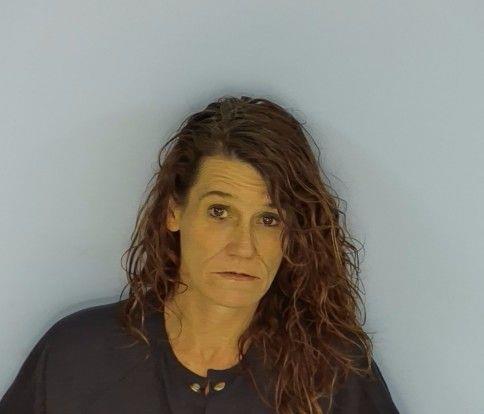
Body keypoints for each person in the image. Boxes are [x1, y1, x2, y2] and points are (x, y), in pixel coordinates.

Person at [0, 95, 400, 413]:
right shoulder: (77, 355)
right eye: (219, 212)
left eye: (269, 219)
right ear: (174, 211)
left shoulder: (334, 375)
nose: (243, 247)